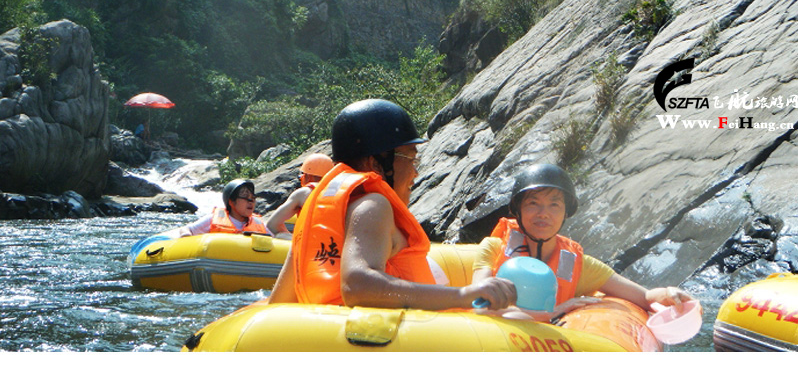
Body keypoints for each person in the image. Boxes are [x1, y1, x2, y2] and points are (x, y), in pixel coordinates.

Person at [269, 98, 516, 310]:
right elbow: (356, 286)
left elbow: (278, 302)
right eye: (410, 157)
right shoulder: (373, 205)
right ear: (377, 164)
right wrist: (463, 295)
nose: (415, 172)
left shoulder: (318, 215)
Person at [471, 163, 695, 319]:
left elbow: (644, 296)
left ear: (566, 213)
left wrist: (668, 293)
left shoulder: (579, 266)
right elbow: (480, 304)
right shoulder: (493, 248)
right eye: (533, 203)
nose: (543, 213)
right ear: (517, 210)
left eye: (554, 205)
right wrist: (554, 312)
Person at [166, 179, 271, 237]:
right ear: (231, 202)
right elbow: (187, 229)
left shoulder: (260, 225)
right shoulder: (211, 220)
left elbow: (276, 239)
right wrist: (186, 236)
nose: (251, 201)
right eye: (245, 197)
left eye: (253, 198)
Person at [266, 153, 334, 238]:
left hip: (311, 244)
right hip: (335, 245)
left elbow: (272, 224)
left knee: (280, 236)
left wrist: (295, 238)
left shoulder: (303, 193)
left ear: (308, 176)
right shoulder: (340, 193)